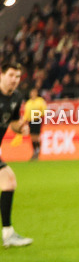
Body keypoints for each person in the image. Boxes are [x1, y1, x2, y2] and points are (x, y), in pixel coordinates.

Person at [0, 62, 32, 247]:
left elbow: (12, 123)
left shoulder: (17, 97)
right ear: (1, 75)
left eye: (18, 76)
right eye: (11, 75)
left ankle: (8, 234)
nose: (14, 80)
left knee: (9, 181)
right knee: (8, 180)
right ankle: (8, 234)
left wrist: (21, 127)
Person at [23, 87, 46, 161]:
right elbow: (26, 113)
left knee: (36, 136)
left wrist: (42, 118)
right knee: (32, 136)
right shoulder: (28, 102)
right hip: (30, 120)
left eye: (34, 92)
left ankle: (37, 151)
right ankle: (35, 151)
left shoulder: (40, 101)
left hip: (37, 119)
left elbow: (44, 110)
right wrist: (25, 120)